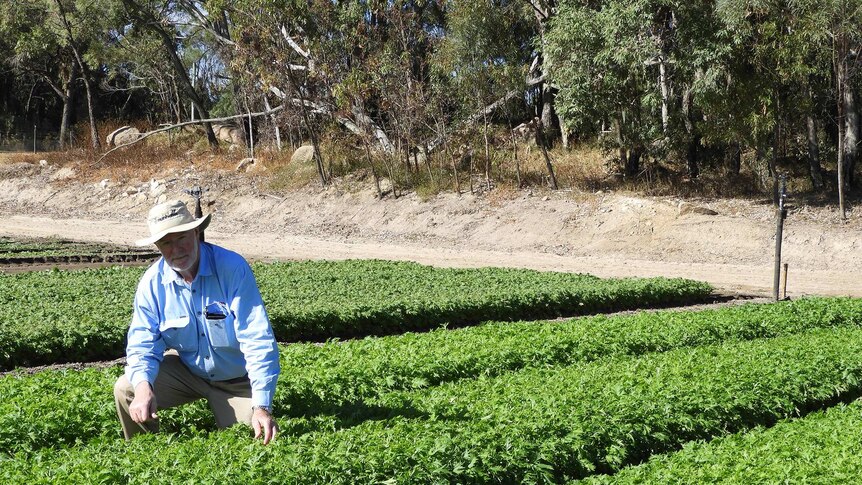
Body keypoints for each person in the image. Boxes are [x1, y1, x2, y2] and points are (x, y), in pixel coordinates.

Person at [114, 199, 280, 444]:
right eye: (166, 243)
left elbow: (257, 337)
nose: (176, 249)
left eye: (181, 238)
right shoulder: (152, 284)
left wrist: (262, 406)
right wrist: (143, 387)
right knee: (127, 389)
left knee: (254, 438)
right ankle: (146, 453)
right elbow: (142, 343)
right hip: (189, 374)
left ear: (196, 232)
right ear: (157, 246)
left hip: (237, 380)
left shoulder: (232, 268)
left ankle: (249, 409)